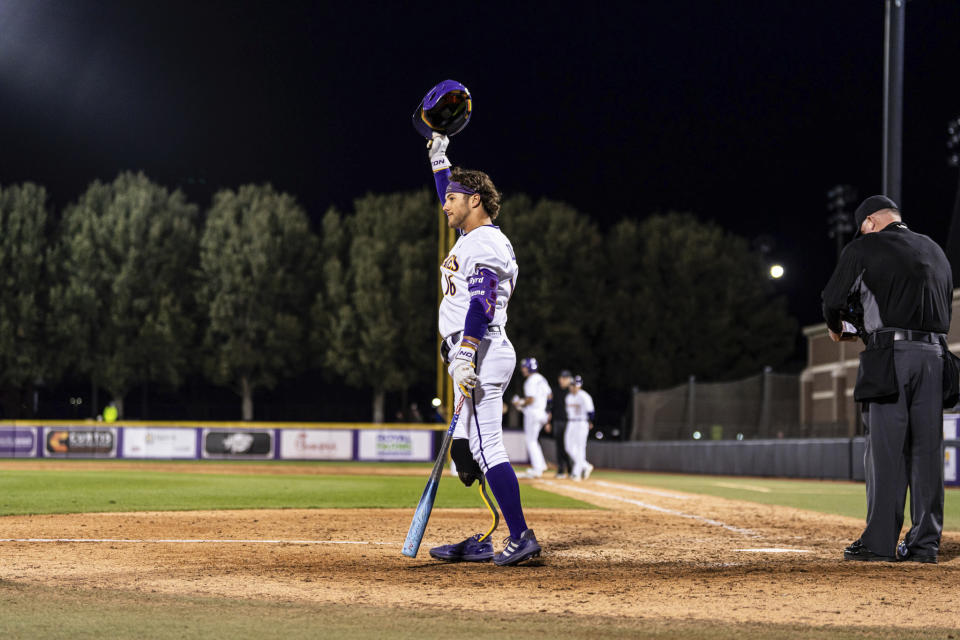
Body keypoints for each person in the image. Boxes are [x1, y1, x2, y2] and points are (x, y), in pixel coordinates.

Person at [423, 132, 541, 566]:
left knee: (489, 446)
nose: (445, 204)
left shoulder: (487, 242)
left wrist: (467, 352)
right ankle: (490, 534)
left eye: (453, 198)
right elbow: (449, 193)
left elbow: (483, 302)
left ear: (475, 200)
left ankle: (521, 536)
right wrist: (440, 160)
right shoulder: (471, 238)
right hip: (469, 352)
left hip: (482, 349)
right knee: (466, 455)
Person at [822, 195, 953, 563]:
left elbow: (832, 300)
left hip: (890, 357)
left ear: (869, 223)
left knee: (885, 451)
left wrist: (839, 329)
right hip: (936, 356)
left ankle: (879, 544)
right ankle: (925, 544)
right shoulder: (934, 249)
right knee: (927, 452)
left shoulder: (865, 246)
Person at [511, 357, 551, 478]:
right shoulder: (542, 379)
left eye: (524, 367)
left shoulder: (530, 381)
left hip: (533, 413)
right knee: (534, 440)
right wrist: (549, 411)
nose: (523, 370)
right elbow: (550, 396)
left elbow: (531, 399)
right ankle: (541, 465)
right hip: (542, 413)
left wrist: (520, 403)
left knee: (530, 441)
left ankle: (537, 469)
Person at [565, 375, 595, 481]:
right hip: (571, 423)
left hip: (581, 422)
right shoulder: (568, 397)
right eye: (572, 385)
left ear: (580, 386)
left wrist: (590, 422)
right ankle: (585, 465)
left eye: (575, 385)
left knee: (580, 447)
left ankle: (576, 473)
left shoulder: (584, 396)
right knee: (568, 447)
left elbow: (591, 411)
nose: (573, 387)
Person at [545, 370, 575, 478]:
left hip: (569, 422)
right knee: (559, 446)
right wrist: (548, 422)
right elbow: (549, 407)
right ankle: (561, 469)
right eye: (561, 378)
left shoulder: (571, 392)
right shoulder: (555, 391)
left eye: (564, 378)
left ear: (569, 379)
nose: (561, 380)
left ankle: (571, 468)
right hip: (557, 421)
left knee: (567, 446)